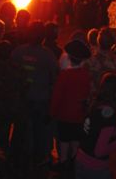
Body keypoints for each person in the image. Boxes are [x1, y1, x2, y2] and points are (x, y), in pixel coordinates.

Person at [11, 21, 58, 167]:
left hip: (22, 98)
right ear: (43, 37)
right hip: (41, 99)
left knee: (20, 128)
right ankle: (38, 159)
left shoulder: (18, 51)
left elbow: (11, 72)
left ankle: (16, 158)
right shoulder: (48, 55)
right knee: (39, 131)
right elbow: (55, 76)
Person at [75, 73, 116, 178]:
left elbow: (94, 130)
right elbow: (100, 151)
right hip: (94, 168)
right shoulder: (109, 116)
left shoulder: (95, 103)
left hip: (81, 159)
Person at [50, 39, 91, 170]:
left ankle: (63, 162)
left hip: (64, 114)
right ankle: (74, 161)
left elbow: (57, 96)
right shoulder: (86, 75)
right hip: (79, 114)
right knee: (75, 139)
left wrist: (52, 112)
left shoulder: (64, 75)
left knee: (64, 139)